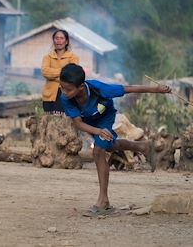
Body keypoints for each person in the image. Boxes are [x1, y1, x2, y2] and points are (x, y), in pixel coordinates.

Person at [59, 63, 171, 216]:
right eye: (62, 87)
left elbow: (128, 89)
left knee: (98, 151)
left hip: (105, 117)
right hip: (90, 124)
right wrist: (98, 131)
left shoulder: (99, 89)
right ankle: (143, 147)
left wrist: (156, 89)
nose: (64, 92)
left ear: (80, 87)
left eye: (68, 89)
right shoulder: (65, 98)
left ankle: (103, 202)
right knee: (110, 146)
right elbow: (78, 123)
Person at [41, 29, 79, 114]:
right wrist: (63, 71)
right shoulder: (47, 57)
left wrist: (52, 76)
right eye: (56, 38)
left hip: (65, 94)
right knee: (48, 121)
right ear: (53, 40)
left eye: (62, 38)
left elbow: (71, 76)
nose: (59, 41)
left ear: (66, 41)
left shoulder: (73, 58)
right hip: (49, 96)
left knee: (60, 122)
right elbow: (44, 72)